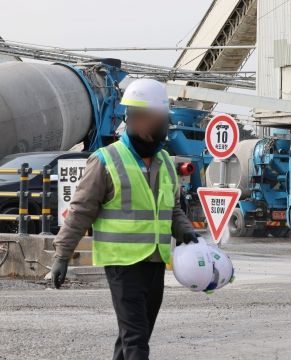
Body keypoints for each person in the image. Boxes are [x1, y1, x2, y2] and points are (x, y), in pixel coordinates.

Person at [50, 78, 198, 360]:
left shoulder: (166, 161)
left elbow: (172, 209)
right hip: (122, 262)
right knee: (136, 338)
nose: (164, 126)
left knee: (135, 335)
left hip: (154, 260)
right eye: (159, 119)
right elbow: (81, 211)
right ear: (136, 119)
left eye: (164, 119)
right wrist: (62, 256)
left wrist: (187, 232)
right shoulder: (105, 160)